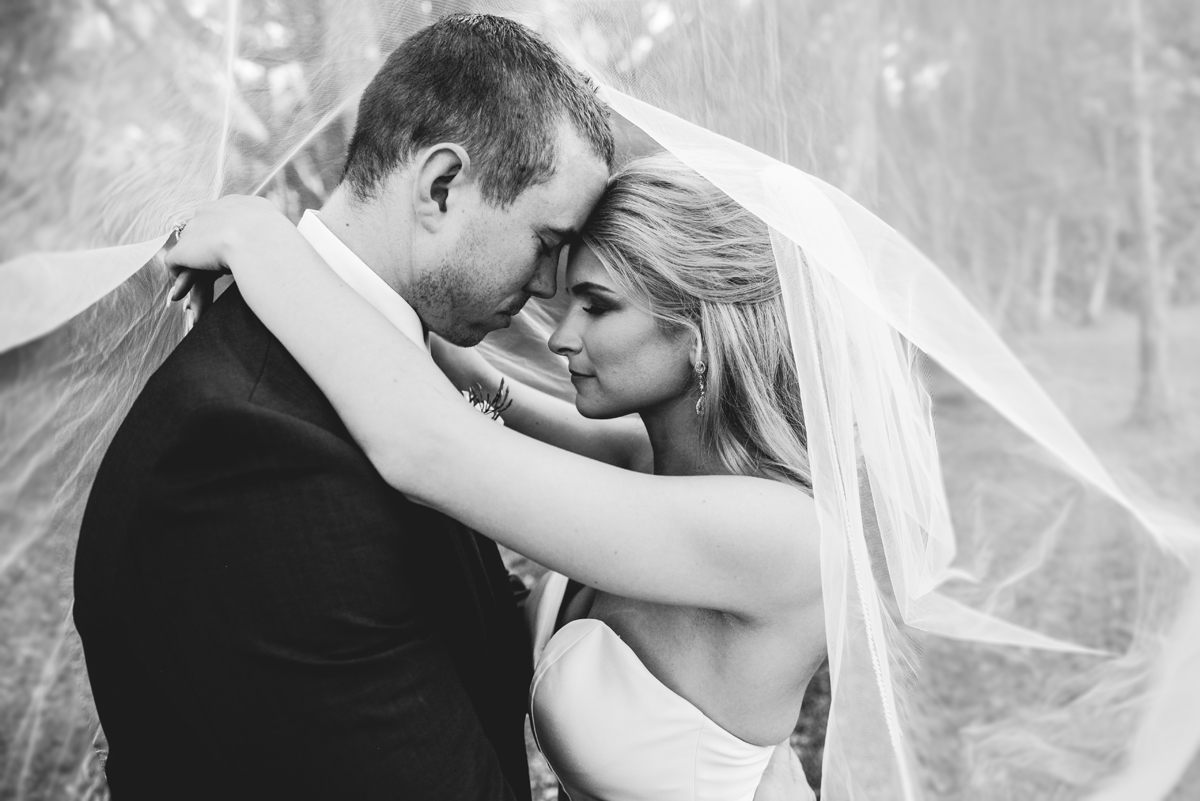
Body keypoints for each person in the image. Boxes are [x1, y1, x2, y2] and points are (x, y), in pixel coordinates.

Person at [166, 152, 824, 801]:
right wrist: (390, 274)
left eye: (596, 306)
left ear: (699, 333)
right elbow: (482, 383)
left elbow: (427, 446)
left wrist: (256, 238)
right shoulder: (643, 458)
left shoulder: (779, 535)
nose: (561, 337)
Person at [72, 14, 612, 799]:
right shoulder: (249, 462)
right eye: (547, 241)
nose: (550, 286)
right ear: (440, 186)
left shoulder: (382, 371)